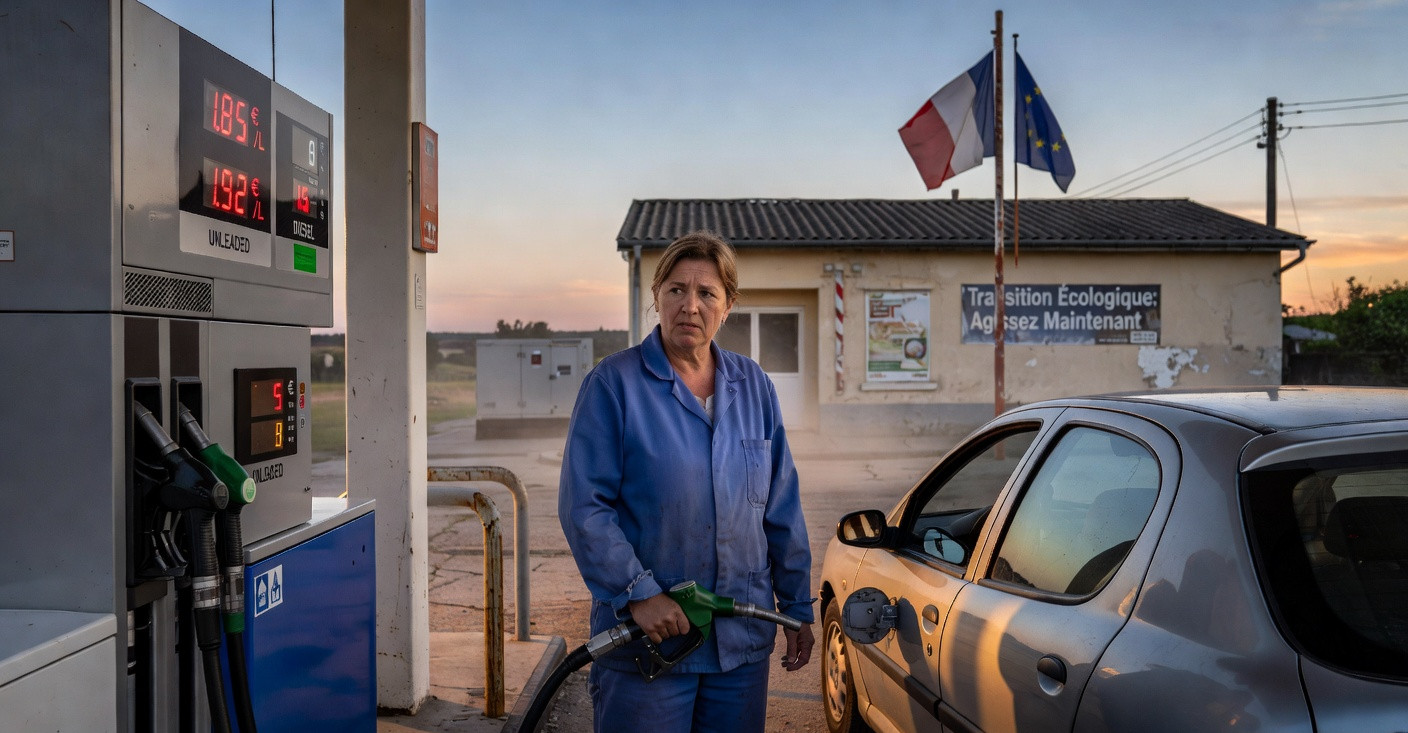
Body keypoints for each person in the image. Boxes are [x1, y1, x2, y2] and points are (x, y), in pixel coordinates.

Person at [558, 230, 815, 733]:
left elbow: (780, 506)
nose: (689, 306)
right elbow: (584, 506)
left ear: (729, 304)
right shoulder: (614, 385)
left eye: (706, 293)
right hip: (647, 646)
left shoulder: (754, 386)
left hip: (740, 644)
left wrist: (798, 606)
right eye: (676, 290)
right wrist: (638, 593)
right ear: (656, 297)